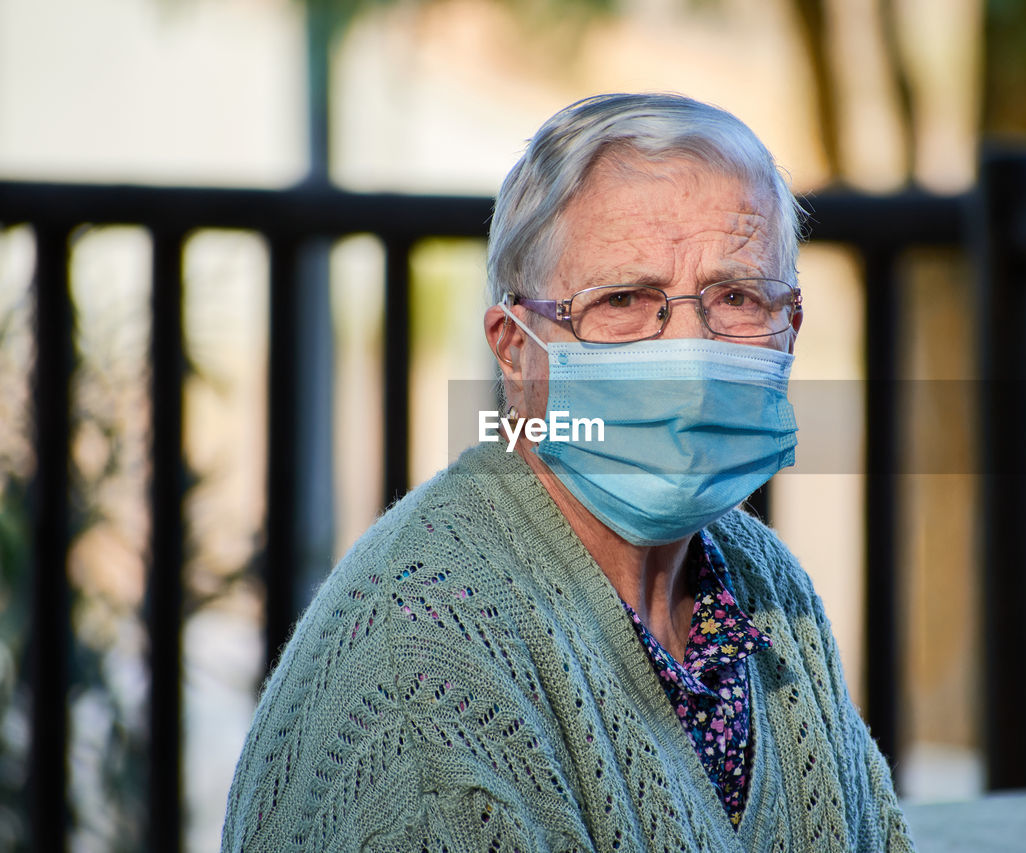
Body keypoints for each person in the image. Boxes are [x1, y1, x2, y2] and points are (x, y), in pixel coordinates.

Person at [222, 93, 915, 852]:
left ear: (790, 332)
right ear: (516, 352)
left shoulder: (765, 582)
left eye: (738, 296)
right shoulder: (426, 659)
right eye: (622, 299)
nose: (686, 355)